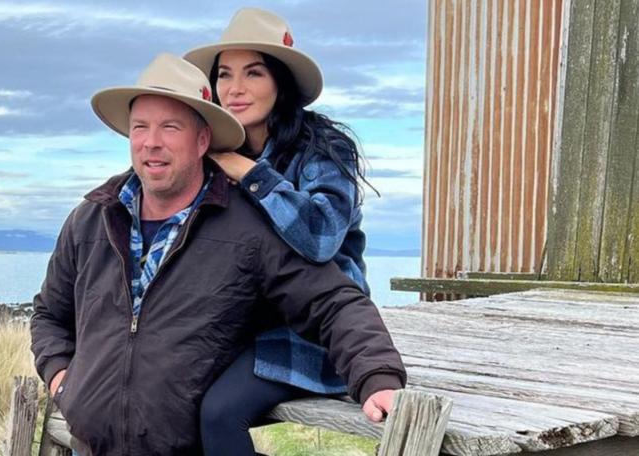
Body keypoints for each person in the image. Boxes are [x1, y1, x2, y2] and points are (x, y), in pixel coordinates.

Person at [30, 53, 406, 456]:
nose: (151, 142)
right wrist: (63, 382)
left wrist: (376, 375)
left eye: (170, 127)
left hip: (196, 430)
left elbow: (331, 299)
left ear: (203, 141)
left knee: (222, 410)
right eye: (140, 127)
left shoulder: (249, 225)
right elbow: (50, 315)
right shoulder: (91, 219)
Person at [184, 8, 381, 454]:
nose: (235, 89)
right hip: (241, 322)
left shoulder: (323, 149)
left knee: (219, 414)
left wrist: (250, 174)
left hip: (313, 329)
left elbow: (322, 236)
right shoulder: (213, 153)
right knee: (168, 393)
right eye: (225, 75)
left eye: (253, 73)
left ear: (280, 81)